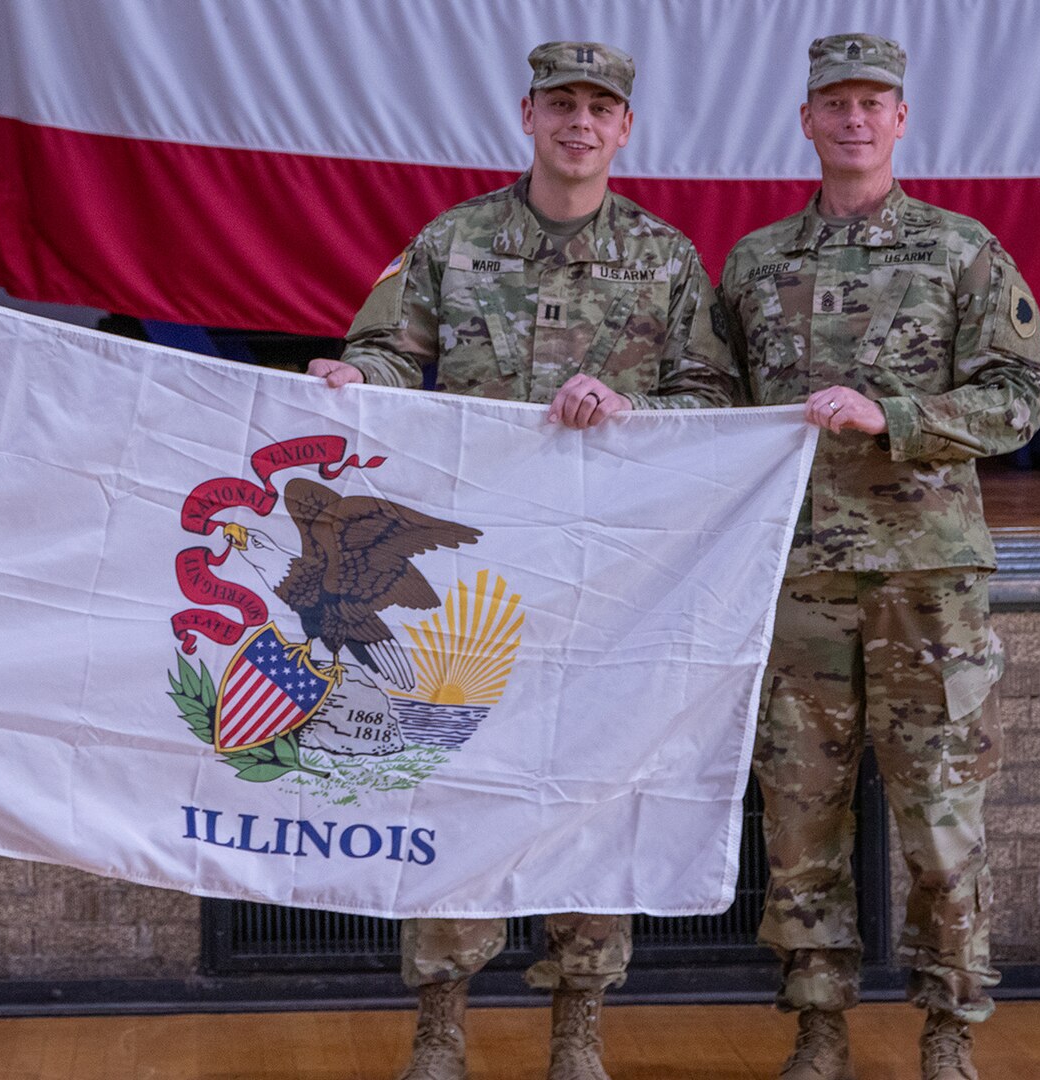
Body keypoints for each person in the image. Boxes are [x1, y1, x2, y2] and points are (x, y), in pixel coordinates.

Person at [310, 41, 738, 1080]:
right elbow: (386, 352)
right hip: (467, 578)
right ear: (527, 115)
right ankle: (440, 1019)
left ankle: (577, 1022)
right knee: (451, 778)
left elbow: (715, 403)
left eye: (598, 107)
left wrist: (631, 410)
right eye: (559, 104)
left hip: (609, 586)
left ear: (623, 129)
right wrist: (346, 373)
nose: (577, 123)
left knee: (592, 782)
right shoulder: (451, 244)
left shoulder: (663, 258)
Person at [720, 34, 1040, 1080]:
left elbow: (1017, 398)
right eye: (835, 104)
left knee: (940, 820)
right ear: (807, 121)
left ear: (900, 119)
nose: (853, 120)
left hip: (923, 587)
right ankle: (816, 1028)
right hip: (800, 585)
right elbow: (711, 410)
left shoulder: (962, 252)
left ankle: (947, 1033)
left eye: (873, 103)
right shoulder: (754, 264)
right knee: (798, 818)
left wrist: (889, 414)